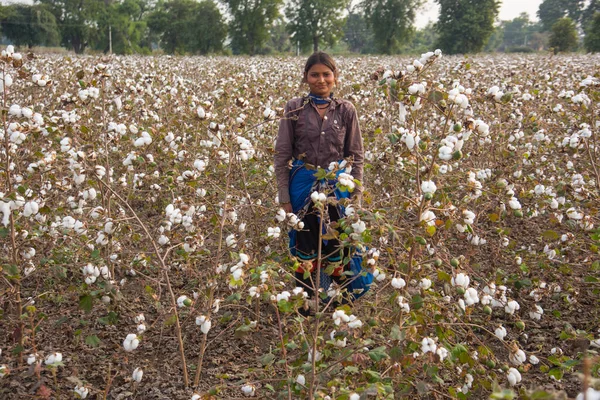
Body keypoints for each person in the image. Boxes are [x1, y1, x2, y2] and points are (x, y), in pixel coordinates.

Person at [274, 52, 364, 305]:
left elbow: (355, 154)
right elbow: (282, 153)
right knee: (305, 243)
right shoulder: (294, 108)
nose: (321, 80)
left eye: (326, 74)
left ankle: (336, 302)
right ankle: (306, 302)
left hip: (338, 187)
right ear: (306, 78)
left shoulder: (346, 110)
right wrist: (284, 196)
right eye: (315, 74)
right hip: (302, 187)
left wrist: (356, 197)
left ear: (335, 78)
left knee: (337, 243)